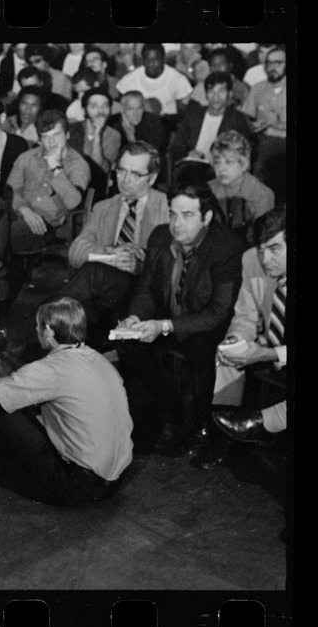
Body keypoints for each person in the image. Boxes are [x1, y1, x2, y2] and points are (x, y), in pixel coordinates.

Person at [0, 297, 133, 505]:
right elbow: (37, 388)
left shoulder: (51, 369)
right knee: (13, 403)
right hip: (116, 479)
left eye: (38, 325)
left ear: (50, 331)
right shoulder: (98, 359)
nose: (35, 330)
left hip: (77, 487)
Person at [116, 183, 247, 454]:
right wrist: (134, 317)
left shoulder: (228, 248)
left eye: (187, 215)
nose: (176, 224)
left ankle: (200, 423)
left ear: (206, 217)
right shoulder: (160, 236)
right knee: (128, 343)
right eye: (173, 214)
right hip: (171, 318)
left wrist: (164, 326)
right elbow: (147, 289)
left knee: (202, 348)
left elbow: (218, 312)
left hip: (207, 326)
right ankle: (169, 410)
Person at [200, 207, 288, 468]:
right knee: (227, 353)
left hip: (279, 351)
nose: (264, 258)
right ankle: (223, 435)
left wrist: (267, 354)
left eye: (274, 249)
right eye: (261, 249)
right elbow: (245, 316)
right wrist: (237, 338)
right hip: (271, 341)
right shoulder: (251, 259)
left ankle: (261, 425)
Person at [64, 142, 169, 345]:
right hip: (104, 294)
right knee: (82, 303)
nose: (126, 180)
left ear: (152, 177)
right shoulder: (104, 207)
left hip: (143, 296)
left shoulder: (166, 208)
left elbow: (173, 265)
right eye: (121, 171)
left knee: (89, 281)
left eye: (136, 174)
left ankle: (30, 332)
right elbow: (75, 252)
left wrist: (140, 265)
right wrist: (110, 253)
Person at [4, 110, 90, 253]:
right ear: (39, 139)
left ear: (67, 135)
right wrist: (24, 209)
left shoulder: (78, 164)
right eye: (45, 137)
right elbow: (10, 190)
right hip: (20, 216)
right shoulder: (27, 157)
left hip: (49, 227)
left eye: (56, 135)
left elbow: (74, 202)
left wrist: (56, 168)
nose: (51, 142)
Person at [168, 71, 252, 170]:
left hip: (221, 168)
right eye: (211, 91)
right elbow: (176, 146)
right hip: (191, 166)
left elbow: (243, 151)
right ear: (206, 95)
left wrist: (218, 157)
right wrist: (188, 153)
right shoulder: (193, 115)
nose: (216, 97)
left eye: (221, 91)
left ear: (229, 94)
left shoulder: (237, 119)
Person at [207, 130, 274, 241]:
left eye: (228, 162)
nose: (221, 168)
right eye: (217, 162)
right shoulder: (208, 188)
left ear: (244, 164)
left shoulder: (262, 195)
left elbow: (260, 239)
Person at [242, 46, 287, 198]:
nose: (272, 67)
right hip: (261, 140)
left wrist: (275, 130)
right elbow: (246, 116)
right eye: (269, 63)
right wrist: (253, 125)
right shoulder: (258, 89)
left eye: (278, 63)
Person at [116, 43, 192, 120]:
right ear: (142, 59)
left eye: (155, 59)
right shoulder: (129, 79)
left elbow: (184, 111)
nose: (151, 64)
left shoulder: (178, 79)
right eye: (147, 60)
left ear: (163, 58)